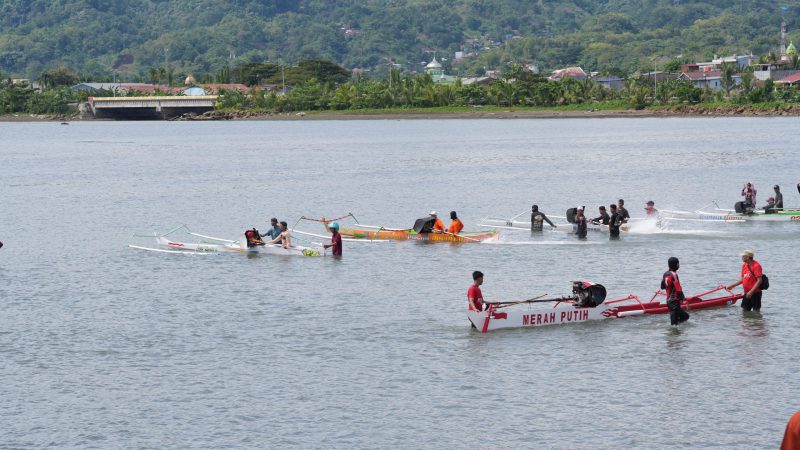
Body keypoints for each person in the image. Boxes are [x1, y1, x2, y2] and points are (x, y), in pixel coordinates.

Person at [661, 257, 690, 325]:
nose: (679, 265)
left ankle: (676, 333)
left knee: (685, 316)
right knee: (674, 325)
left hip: (669, 301)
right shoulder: (674, 274)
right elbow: (678, 288)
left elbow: (662, 287)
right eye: (678, 264)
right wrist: (684, 300)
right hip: (674, 302)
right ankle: (674, 333)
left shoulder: (665, 274)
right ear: (675, 265)